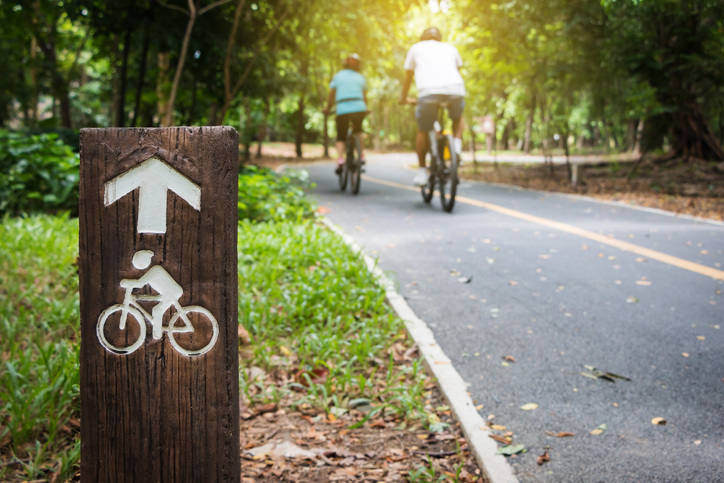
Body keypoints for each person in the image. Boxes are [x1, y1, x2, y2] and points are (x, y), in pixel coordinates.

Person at [400, 27, 466, 187]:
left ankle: (422, 172)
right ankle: (456, 146)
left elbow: (409, 77)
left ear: (423, 37)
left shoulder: (416, 48)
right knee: (457, 118)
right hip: (455, 90)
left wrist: (403, 98)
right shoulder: (450, 48)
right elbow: (457, 69)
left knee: (423, 130)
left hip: (428, 93)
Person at [325, 54, 368, 174]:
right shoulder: (361, 77)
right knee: (359, 131)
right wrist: (365, 107)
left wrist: (328, 108)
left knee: (341, 135)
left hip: (342, 109)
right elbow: (365, 97)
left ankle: (340, 159)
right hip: (359, 108)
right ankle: (361, 154)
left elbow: (331, 94)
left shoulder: (338, 76)